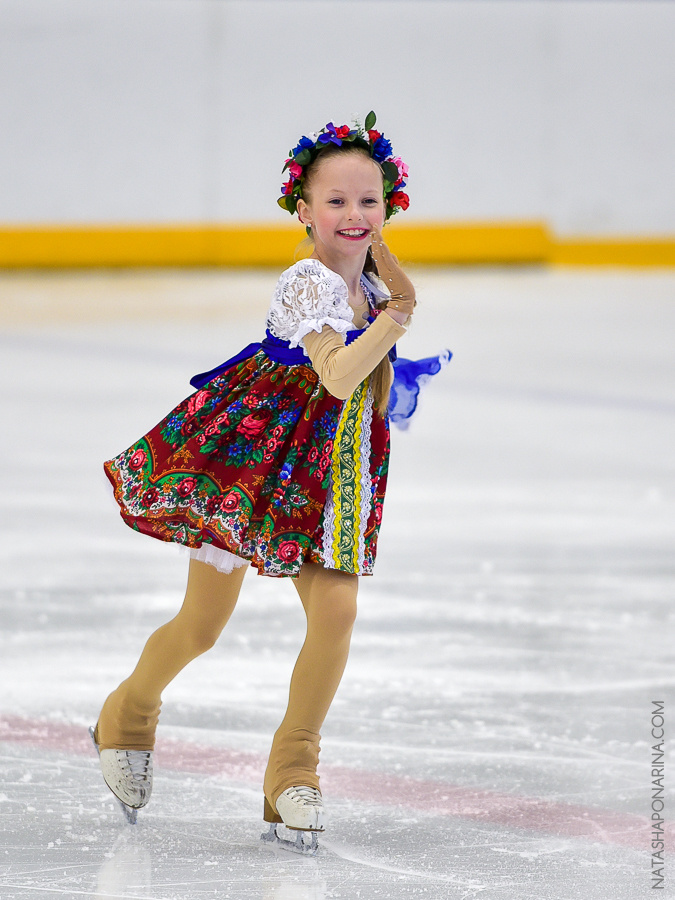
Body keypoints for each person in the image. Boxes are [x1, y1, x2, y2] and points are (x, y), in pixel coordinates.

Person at [91, 112, 448, 850]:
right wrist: (397, 320)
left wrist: (389, 291)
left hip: (338, 474)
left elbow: (372, 375)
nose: (354, 215)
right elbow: (338, 374)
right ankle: (127, 713)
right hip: (261, 466)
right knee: (202, 627)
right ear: (303, 210)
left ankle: (292, 772)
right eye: (338, 202)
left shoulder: (375, 284)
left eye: (370, 201)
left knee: (338, 611)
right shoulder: (306, 283)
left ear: (390, 207)